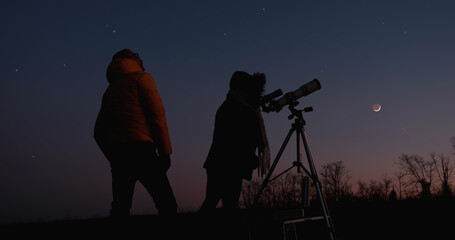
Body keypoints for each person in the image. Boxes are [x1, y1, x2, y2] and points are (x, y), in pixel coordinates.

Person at [94, 49, 177, 219]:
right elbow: (157, 116)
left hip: (119, 153)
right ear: (131, 60)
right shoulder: (142, 78)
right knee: (167, 203)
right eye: (137, 56)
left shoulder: (109, 91)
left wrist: (113, 155)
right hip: (142, 149)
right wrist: (165, 152)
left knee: (120, 207)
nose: (142, 59)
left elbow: (98, 132)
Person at [200, 71, 271, 213]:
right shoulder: (238, 109)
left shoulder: (232, 106)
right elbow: (238, 141)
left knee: (219, 204)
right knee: (221, 205)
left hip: (223, 164)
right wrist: (251, 159)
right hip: (227, 165)